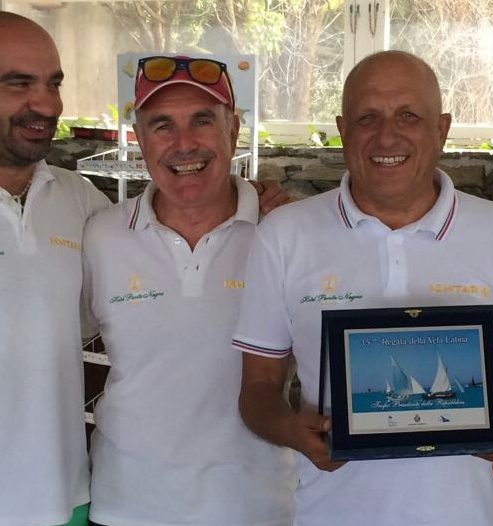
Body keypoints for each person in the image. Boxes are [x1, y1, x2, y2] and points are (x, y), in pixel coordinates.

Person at [232, 50, 493, 526]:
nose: (387, 136)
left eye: (409, 115)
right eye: (368, 117)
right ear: (343, 130)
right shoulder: (284, 234)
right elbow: (257, 388)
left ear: (441, 129)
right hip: (330, 515)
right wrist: (287, 428)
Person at [81, 55, 296, 526]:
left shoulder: (285, 233)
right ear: (140, 141)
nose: (184, 144)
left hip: (257, 507)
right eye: (163, 126)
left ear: (232, 130)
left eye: (202, 121)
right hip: (125, 507)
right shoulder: (100, 235)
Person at [0, 12, 108, 526]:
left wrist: (247, 204)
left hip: (63, 496)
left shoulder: (80, 200)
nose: (46, 104)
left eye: (53, 83)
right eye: (18, 83)